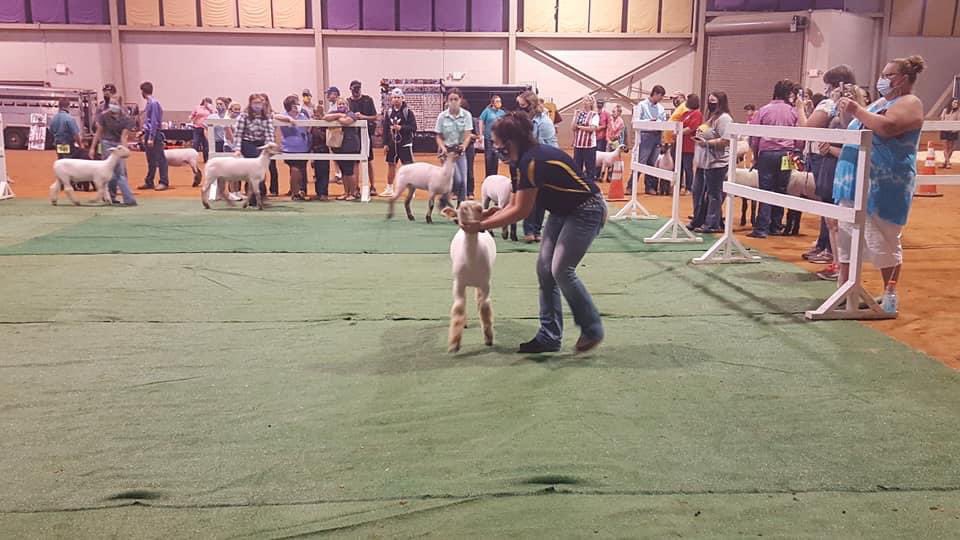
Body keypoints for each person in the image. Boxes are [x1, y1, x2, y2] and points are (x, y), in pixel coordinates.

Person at [460, 111, 605, 354]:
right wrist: (492, 214)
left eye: (496, 142)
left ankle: (592, 328)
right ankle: (549, 336)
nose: (494, 147)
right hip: (561, 211)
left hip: (586, 210)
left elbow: (521, 211)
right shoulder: (520, 163)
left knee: (561, 270)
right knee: (545, 270)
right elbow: (515, 203)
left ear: (510, 142)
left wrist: (481, 226)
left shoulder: (533, 161)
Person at [833, 56, 925, 302]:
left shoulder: (910, 102)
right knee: (848, 237)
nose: (882, 80)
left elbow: (888, 127)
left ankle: (890, 294)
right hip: (854, 180)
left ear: (904, 78)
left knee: (884, 240)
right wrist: (847, 112)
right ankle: (846, 289)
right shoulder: (881, 102)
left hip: (884, 183)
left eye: (888, 75)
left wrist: (856, 109)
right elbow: (856, 129)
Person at [795, 64, 860, 280]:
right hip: (835, 162)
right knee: (832, 219)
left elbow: (808, 129)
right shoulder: (848, 104)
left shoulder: (835, 104)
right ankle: (834, 261)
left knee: (837, 218)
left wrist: (800, 111)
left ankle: (839, 265)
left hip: (838, 165)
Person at [746, 79, 799, 238]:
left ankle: (761, 228)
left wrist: (755, 155)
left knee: (765, 190)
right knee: (781, 190)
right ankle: (776, 226)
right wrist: (797, 152)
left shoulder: (763, 110)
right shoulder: (793, 111)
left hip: (767, 154)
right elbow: (800, 137)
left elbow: (753, 137)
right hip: (788, 153)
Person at [517, 90, 558, 243]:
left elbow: (548, 146)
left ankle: (537, 230)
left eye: (523, 105)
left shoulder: (545, 122)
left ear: (531, 105)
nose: (521, 108)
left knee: (541, 198)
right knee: (528, 197)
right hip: (528, 161)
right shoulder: (525, 120)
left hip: (543, 161)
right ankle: (528, 230)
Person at [688, 92, 732, 233]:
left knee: (714, 195)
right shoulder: (711, 117)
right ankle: (699, 220)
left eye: (713, 101)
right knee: (698, 192)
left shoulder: (725, 119)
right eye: (709, 101)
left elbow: (726, 140)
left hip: (717, 162)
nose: (710, 104)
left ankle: (712, 224)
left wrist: (707, 143)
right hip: (703, 162)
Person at [89, 97, 137, 206]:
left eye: (115, 103)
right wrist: (92, 147)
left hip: (118, 145)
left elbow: (124, 137)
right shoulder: (103, 116)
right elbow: (98, 133)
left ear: (120, 105)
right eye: (111, 103)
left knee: (120, 173)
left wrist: (124, 151)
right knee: (108, 173)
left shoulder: (126, 119)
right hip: (106, 144)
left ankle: (128, 199)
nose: (112, 105)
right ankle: (111, 197)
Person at [232, 93, 276, 206]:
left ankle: (258, 195)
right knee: (253, 170)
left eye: (260, 103)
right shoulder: (244, 116)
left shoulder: (267, 116)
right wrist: (237, 149)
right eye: (255, 103)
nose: (258, 105)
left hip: (262, 144)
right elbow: (238, 134)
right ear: (250, 104)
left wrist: (269, 146)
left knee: (262, 170)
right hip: (247, 143)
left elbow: (269, 133)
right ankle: (253, 196)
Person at [435, 88, 473, 206]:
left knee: (464, 181)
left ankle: (461, 207)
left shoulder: (466, 115)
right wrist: (442, 147)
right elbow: (438, 136)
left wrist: (464, 146)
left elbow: (468, 135)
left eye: (456, 99)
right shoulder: (442, 116)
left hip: (460, 151)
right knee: (457, 179)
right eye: (450, 99)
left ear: (460, 100)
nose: (453, 102)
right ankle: (444, 198)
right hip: (447, 152)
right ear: (447, 101)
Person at [381, 88, 417, 198]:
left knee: (408, 166)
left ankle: (412, 189)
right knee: (391, 165)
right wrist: (385, 144)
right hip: (392, 144)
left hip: (405, 143)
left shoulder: (408, 112)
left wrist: (401, 128)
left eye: (398, 97)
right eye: (394, 98)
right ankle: (389, 188)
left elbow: (413, 127)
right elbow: (386, 128)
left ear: (402, 98)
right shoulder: (389, 112)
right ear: (391, 99)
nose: (396, 100)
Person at [325, 97, 362, 201]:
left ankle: (354, 193)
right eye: (339, 104)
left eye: (343, 104)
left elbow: (347, 121)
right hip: (339, 147)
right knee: (344, 171)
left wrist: (337, 118)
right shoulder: (336, 112)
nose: (341, 106)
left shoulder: (351, 114)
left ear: (347, 105)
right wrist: (338, 115)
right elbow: (325, 117)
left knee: (349, 171)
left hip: (350, 146)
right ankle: (346, 192)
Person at [634, 85, 669, 195]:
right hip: (646, 136)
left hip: (657, 136)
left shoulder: (661, 108)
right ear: (655, 94)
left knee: (652, 163)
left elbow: (663, 121)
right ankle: (631, 186)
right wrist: (649, 121)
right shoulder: (641, 105)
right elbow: (636, 121)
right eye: (660, 96)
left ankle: (650, 187)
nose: (660, 99)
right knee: (641, 161)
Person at [276, 94, 311, 200]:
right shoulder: (283, 115)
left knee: (301, 170)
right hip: (289, 149)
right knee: (295, 169)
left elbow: (309, 127)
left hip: (303, 148)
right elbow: (274, 116)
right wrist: (289, 119)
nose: (298, 105)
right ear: (290, 106)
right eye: (296, 103)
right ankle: (295, 193)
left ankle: (301, 191)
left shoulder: (302, 116)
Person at [348, 80, 379, 195]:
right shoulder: (348, 102)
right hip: (353, 136)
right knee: (355, 162)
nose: (356, 91)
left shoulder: (368, 100)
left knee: (369, 160)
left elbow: (375, 117)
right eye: (354, 89)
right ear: (350, 89)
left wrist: (362, 117)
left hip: (366, 135)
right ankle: (356, 188)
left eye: (358, 89)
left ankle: (372, 186)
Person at [138, 81, 169, 191]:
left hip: (155, 135)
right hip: (148, 133)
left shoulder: (154, 103)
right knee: (150, 159)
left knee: (160, 159)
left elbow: (155, 121)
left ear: (143, 91)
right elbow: (148, 121)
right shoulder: (148, 103)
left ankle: (164, 182)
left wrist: (151, 137)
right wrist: (143, 131)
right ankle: (149, 181)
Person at [571, 95, 600, 184]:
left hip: (589, 145)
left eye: (587, 100)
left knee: (590, 168)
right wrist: (575, 116)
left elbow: (592, 128)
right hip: (578, 144)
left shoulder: (594, 114)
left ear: (591, 103)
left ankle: (591, 187)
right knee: (576, 168)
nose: (585, 102)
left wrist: (580, 127)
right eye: (584, 100)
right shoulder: (579, 114)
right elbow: (573, 127)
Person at [680, 94, 703, 199]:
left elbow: (693, 127)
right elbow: (679, 124)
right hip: (681, 143)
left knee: (688, 167)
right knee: (679, 166)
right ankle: (679, 186)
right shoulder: (684, 113)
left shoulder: (697, 114)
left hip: (690, 144)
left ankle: (689, 187)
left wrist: (680, 132)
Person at [479, 94, 507, 177]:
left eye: (500, 101)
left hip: (498, 139)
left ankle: (494, 176)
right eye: (497, 101)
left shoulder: (502, 112)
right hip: (488, 137)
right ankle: (488, 176)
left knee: (496, 157)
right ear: (492, 103)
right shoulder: (487, 111)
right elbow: (481, 121)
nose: (499, 103)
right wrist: (480, 134)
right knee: (488, 157)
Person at [309, 103, 331, 201]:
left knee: (324, 173)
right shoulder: (312, 126)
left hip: (324, 150)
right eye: (315, 114)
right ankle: (318, 192)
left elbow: (325, 137)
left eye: (319, 113)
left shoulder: (325, 125)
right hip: (315, 150)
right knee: (316, 173)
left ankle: (324, 193)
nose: (317, 115)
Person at [461, 96, 479, 199]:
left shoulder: (471, 119)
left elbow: (475, 135)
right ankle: (457, 192)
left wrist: (469, 135)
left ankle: (470, 192)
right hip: (457, 147)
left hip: (469, 148)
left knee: (469, 170)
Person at [190, 97, 214, 163]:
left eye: (208, 102)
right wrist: (192, 119)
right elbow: (192, 116)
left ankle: (206, 159)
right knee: (195, 143)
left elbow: (214, 116)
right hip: (197, 127)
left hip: (206, 129)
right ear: (203, 101)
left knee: (206, 144)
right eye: (206, 101)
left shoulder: (211, 109)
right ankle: (193, 159)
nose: (207, 103)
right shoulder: (197, 107)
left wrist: (210, 109)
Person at [940, 98, 959, 168]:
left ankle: (945, 162)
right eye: (954, 102)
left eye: (957, 103)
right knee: (945, 147)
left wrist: (955, 129)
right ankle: (948, 163)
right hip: (944, 130)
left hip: (953, 131)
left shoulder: (958, 111)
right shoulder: (945, 110)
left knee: (951, 148)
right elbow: (942, 119)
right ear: (951, 103)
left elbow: (958, 120)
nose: (956, 104)